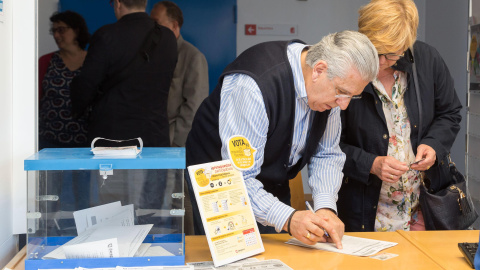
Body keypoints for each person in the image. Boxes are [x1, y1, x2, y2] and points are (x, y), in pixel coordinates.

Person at [186, 30, 379, 248]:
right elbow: (239, 177)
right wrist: (289, 218)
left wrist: (325, 208)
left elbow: (327, 152)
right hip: (222, 179)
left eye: (352, 97)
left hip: (270, 178)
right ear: (319, 70)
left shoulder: (331, 92)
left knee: (278, 252)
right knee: (235, 253)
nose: (344, 105)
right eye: (342, 93)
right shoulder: (253, 85)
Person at [337, 0, 462, 232]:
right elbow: (327, 147)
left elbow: (450, 112)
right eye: (375, 52)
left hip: (423, 207)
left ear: (405, 45)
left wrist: (433, 145)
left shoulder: (427, 60)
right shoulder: (344, 69)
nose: (381, 62)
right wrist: (371, 164)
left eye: (391, 54)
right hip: (365, 212)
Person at [70, 0, 177, 147]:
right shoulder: (168, 38)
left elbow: (86, 86)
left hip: (112, 140)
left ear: (118, 3)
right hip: (155, 138)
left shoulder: (106, 36)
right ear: (145, 3)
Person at [150, 1, 209, 235]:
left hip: (178, 142)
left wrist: (176, 145)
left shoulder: (192, 56)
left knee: (181, 199)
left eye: (156, 24)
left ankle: (189, 248)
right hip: (153, 141)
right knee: (153, 198)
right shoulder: (151, 54)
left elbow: (194, 106)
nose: (150, 29)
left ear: (174, 26)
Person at [39, 10, 90, 149]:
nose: (56, 35)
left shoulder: (94, 60)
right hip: (50, 141)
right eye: (53, 31)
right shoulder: (46, 61)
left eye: (61, 30)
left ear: (76, 30)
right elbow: (35, 100)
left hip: (86, 141)